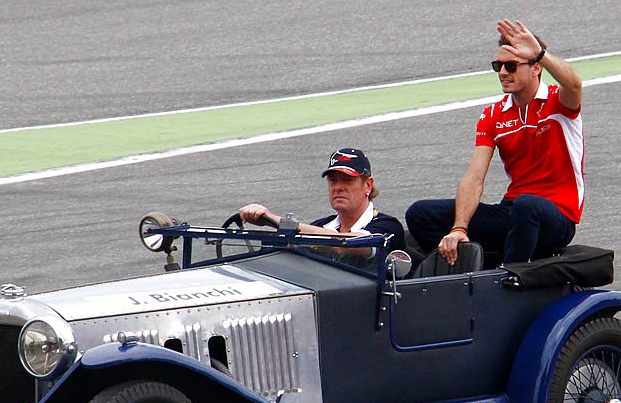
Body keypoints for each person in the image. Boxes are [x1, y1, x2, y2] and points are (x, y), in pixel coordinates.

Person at [406, 19, 583, 267]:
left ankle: (510, 278)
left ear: (536, 68)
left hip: (556, 218)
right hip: (514, 211)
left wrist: (541, 54)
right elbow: (474, 177)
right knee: (421, 213)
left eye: (511, 66)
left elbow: (574, 83)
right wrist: (459, 228)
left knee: (526, 205)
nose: (502, 73)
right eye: (498, 65)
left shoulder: (557, 102)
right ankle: (461, 273)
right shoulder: (493, 115)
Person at [237, 148, 408, 254]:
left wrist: (278, 222)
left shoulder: (387, 227)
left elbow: (347, 245)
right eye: (333, 180)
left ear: (368, 186)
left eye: (348, 180)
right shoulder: (320, 227)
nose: (338, 187)